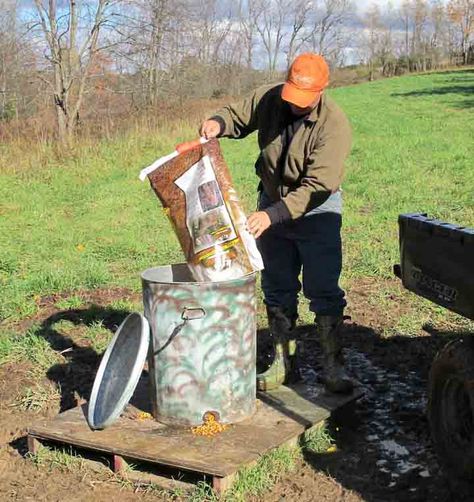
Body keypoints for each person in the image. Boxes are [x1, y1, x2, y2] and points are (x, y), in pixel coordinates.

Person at [199, 53, 353, 394]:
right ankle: (283, 363)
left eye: (304, 101)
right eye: (292, 97)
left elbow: (318, 186)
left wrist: (273, 215)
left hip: (316, 210)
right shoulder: (271, 98)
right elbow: (238, 115)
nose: (296, 106)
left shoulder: (334, 126)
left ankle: (333, 365)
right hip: (271, 203)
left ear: (321, 92)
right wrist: (218, 123)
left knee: (323, 287)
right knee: (277, 284)